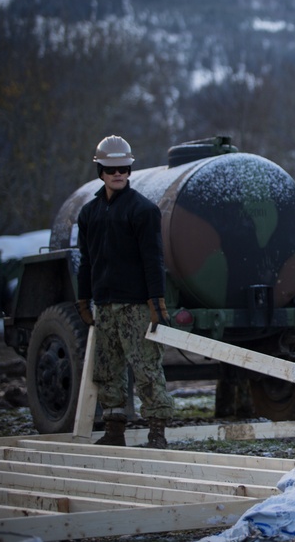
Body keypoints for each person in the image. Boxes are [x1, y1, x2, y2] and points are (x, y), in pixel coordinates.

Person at [75, 135, 175, 448]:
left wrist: (156, 302)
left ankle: (157, 433)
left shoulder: (143, 211)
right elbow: (86, 260)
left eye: (124, 168)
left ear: (130, 169)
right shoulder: (89, 213)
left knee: (146, 368)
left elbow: (153, 259)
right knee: (106, 370)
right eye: (111, 168)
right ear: (100, 171)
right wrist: (83, 297)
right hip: (104, 305)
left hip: (136, 306)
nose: (118, 173)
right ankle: (114, 431)